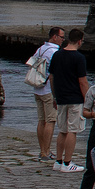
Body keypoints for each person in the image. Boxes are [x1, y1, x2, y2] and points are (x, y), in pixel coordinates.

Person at [47, 29, 91, 172]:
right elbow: (82, 81)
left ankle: (58, 161)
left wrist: (54, 96)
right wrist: (88, 99)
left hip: (61, 97)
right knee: (73, 130)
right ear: (79, 41)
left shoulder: (57, 55)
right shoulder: (79, 58)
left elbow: (52, 77)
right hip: (75, 98)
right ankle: (67, 163)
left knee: (62, 130)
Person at [28, 27, 64, 161]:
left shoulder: (41, 49)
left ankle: (42, 150)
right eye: (61, 37)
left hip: (37, 88)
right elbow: (57, 73)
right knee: (50, 121)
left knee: (41, 120)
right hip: (49, 90)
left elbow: (31, 63)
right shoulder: (55, 52)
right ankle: (46, 152)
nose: (62, 40)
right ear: (54, 37)